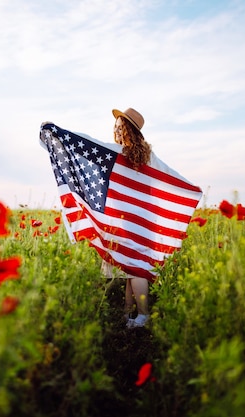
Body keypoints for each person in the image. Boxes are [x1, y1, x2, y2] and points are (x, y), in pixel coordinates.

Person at [102, 107, 152, 328]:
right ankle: (128, 313)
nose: (117, 130)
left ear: (131, 130)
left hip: (130, 217)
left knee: (135, 268)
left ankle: (143, 315)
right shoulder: (148, 155)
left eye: (122, 127)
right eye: (116, 126)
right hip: (140, 217)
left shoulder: (121, 154)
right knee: (130, 266)